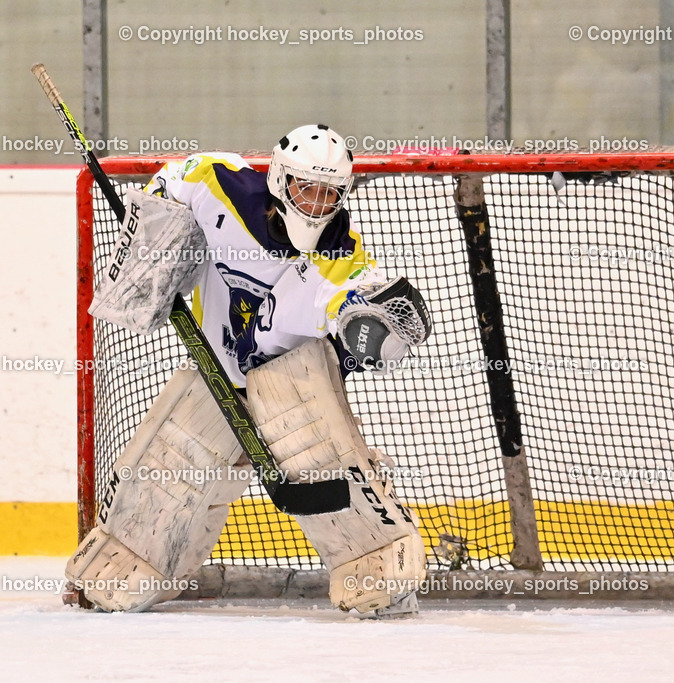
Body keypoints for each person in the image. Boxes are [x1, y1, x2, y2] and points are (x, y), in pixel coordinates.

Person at [66, 124, 432, 617]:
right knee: (168, 473)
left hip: (289, 390)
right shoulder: (219, 183)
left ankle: (379, 571)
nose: (316, 203)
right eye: (307, 188)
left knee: (323, 468)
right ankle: (129, 566)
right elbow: (175, 178)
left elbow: (353, 309)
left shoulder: (340, 257)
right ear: (281, 180)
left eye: (330, 194)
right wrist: (156, 231)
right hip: (214, 373)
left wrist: (371, 323)